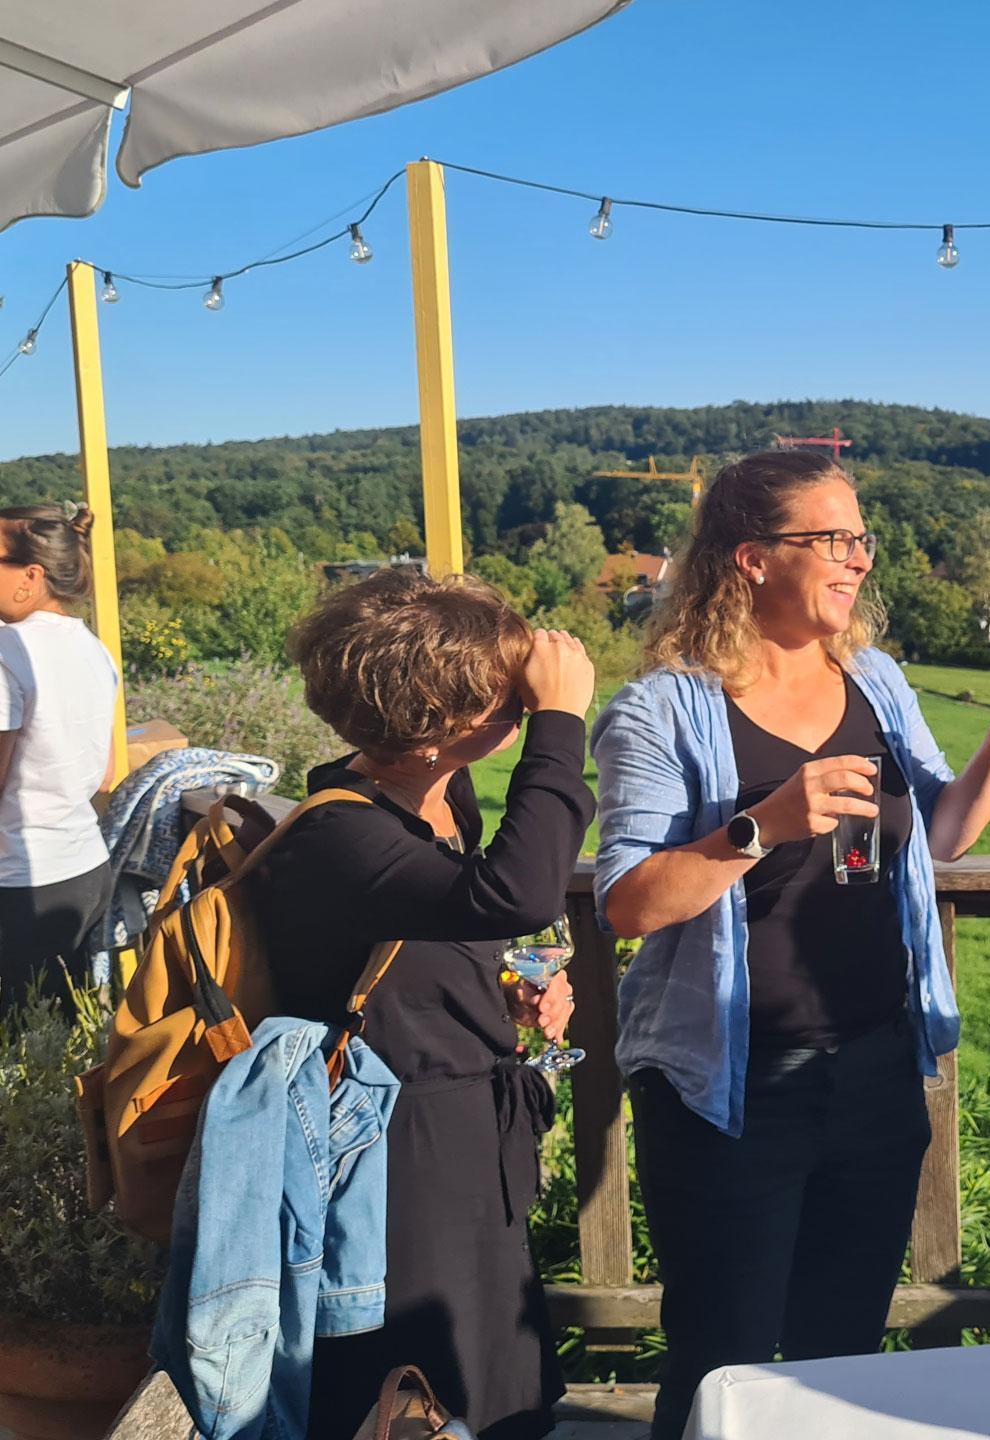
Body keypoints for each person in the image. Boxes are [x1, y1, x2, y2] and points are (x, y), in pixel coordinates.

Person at [592, 448, 990, 1440]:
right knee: (722, 1360)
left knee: (839, 1359)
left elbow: (933, 836)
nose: (858, 560)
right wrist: (761, 822)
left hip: (876, 1071)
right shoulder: (663, 709)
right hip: (733, 1093)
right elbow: (629, 901)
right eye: (833, 539)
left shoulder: (876, 682)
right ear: (753, 557)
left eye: (861, 539)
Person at [253, 569, 596, 1440]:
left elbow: (465, 921)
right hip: (396, 1168)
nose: (520, 707)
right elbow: (515, 893)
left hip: (466, 1142)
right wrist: (560, 726)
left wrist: (515, 983)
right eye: (508, 700)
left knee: (495, 1387)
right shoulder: (343, 834)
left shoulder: (438, 801)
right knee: (419, 1400)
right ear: (443, 726)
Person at [0, 504, 117, 1025]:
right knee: (50, 1047)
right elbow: (99, 771)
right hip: (82, 872)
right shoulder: (92, 649)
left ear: (30, 577)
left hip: (6, 887)